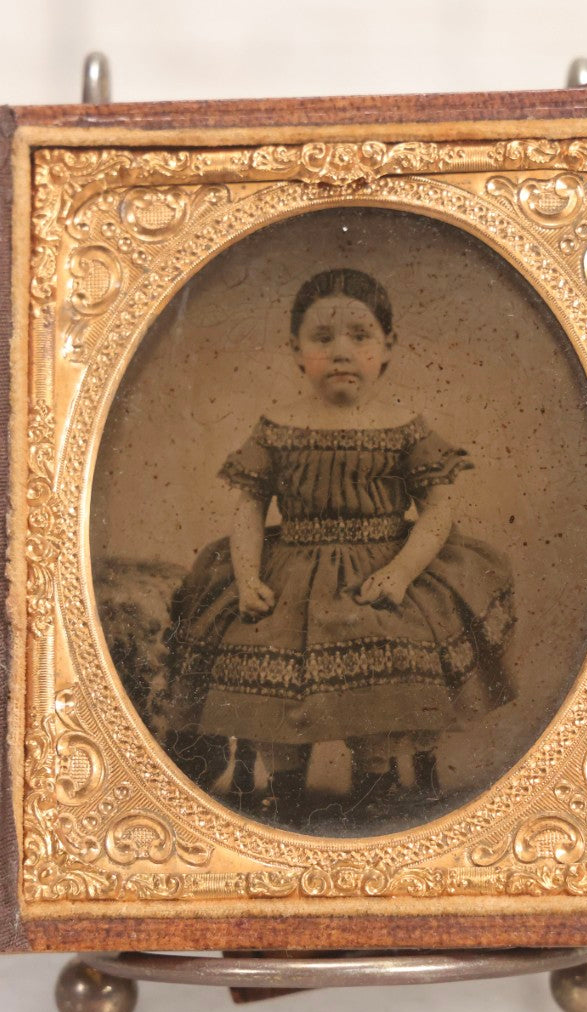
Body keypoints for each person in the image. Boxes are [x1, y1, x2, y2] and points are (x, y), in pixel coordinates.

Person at [165, 268, 515, 826]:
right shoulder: (277, 426)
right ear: (297, 352)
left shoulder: (403, 426)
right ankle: (284, 792)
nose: (342, 352)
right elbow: (250, 506)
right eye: (322, 339)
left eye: (360, 336)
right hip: (290, 573)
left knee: (388, 649)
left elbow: (439, 508)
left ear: (387, 347)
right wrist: (248, 576)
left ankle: (374, 786)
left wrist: (401, 573)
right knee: (268, 654)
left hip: (379, 569)